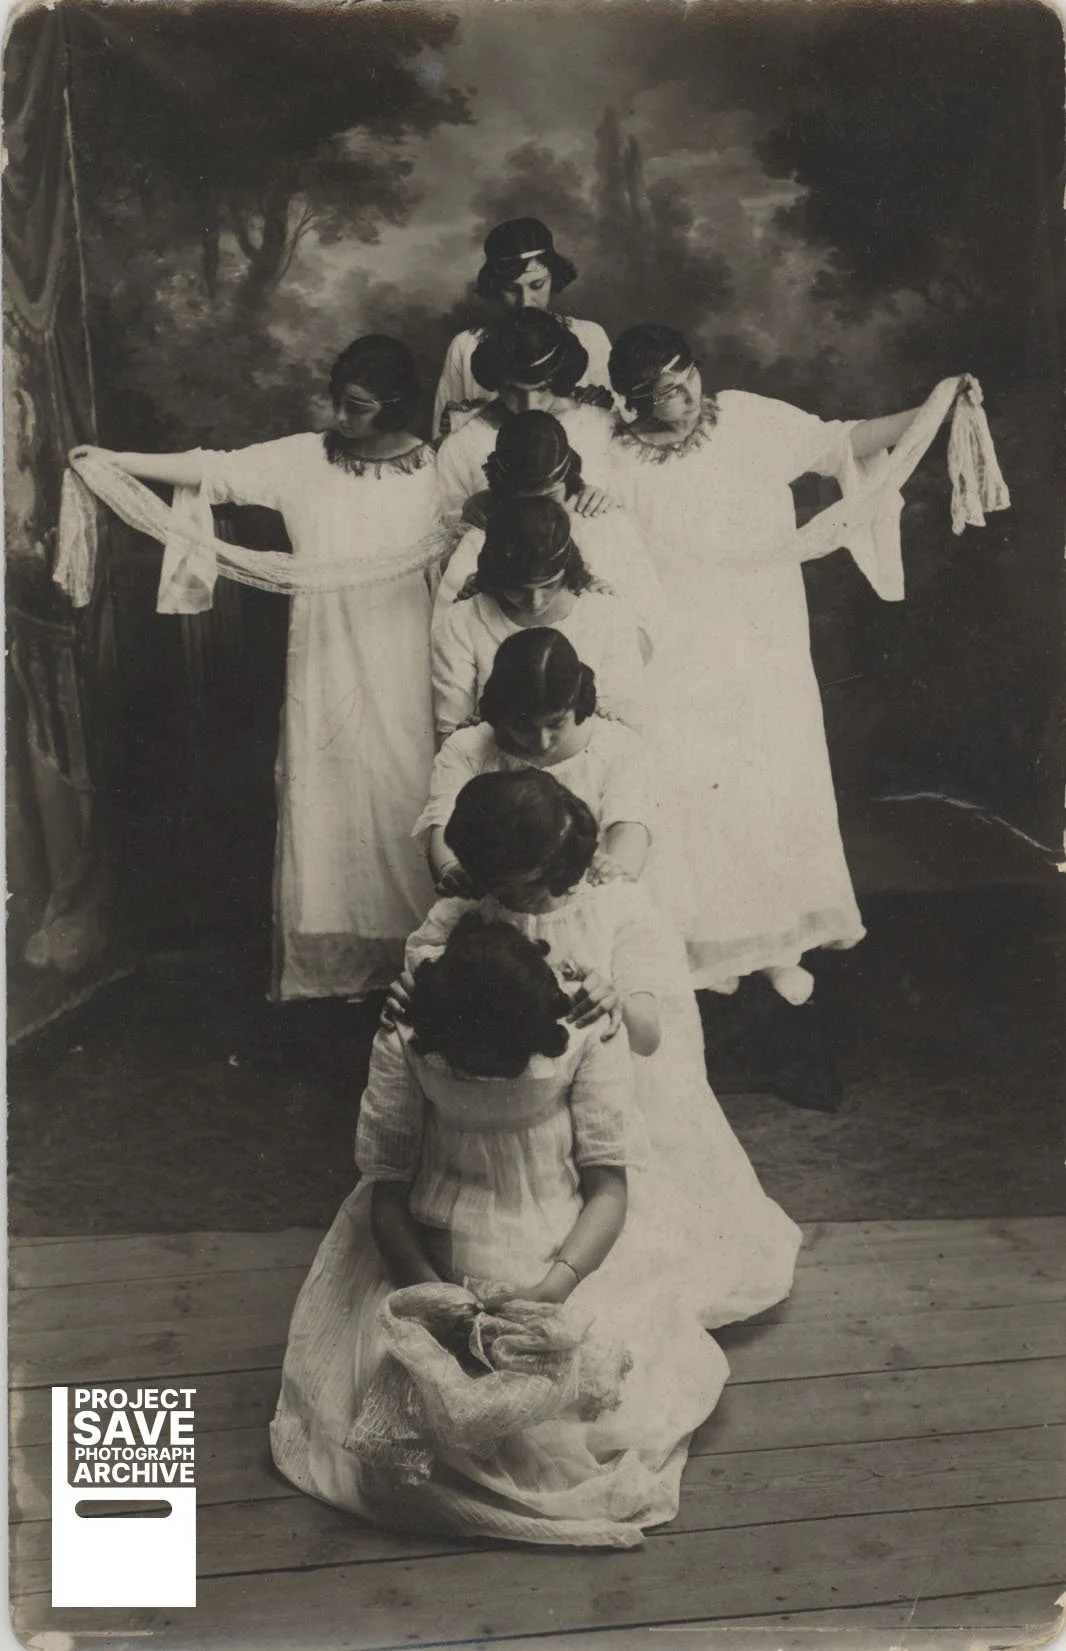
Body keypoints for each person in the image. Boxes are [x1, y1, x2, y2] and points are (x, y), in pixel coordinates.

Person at [270, 912, 729, 1548]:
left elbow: (608, 1190)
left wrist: (554, 1288)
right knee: (409, 1393)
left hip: (564, 1241)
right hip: (432, 1244)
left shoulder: (585, 1035)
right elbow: (388, 1193)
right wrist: (430, 1294)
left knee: (588, 1404)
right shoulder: (407, 1036)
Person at [606, 322, 968, 1006]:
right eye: (662, 391)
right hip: (675, 650)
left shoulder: (746, 418)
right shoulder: (614, 459)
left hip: (761, 638)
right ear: (632, 401)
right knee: (694, 784)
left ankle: (778, 946)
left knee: (770, 777)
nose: (685, 394)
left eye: (688, 374)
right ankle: (711, 947)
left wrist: (934, 407)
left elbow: (842, 443)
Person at [71, 337, 440, 1000]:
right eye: (338, 401)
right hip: (324, 652)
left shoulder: (437, 470)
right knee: (325, 789)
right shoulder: (305, 457)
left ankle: (417, 956)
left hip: (404, 649)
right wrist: (115, 460)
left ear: (395, 404)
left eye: (358, 406)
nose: (340, 416)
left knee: (402, 784)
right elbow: (212, 470)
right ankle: (329, 966)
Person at [396, 769, 803, 1328]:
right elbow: (419, 1008)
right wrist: (413, 991)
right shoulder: (463, 911)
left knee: (638, 1260)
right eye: (497, 883)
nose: (510, 898)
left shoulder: (614, 908)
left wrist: (617, 997)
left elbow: (650, 1036)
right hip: (498, 1117)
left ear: (559, 860)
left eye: (524, 883)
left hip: (609, 1096)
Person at [416, 627, 654, 903]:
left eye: (556, 724)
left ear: (577, 704)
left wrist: (614, 868)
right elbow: (441, 822)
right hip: (495, 899)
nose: (542, 742)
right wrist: (451, 869)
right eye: (523, 726)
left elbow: (629, 824)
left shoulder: (617, 744)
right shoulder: (467, 748)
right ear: (500, 709)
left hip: (590, 898)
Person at [436, 410, 666, 663]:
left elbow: (649, 635)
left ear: (569, 481)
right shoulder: (480, 536)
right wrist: (476, 597)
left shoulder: (605, 525)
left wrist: (607, 611)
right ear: (501, 492)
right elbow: (447, 637)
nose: (539, 511)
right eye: (524, 501)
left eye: (549, 497)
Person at [431, 495, 646, 740]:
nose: (535, 601)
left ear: (568, 569)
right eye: (517, 588)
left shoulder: (607, 613)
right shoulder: (462, 621)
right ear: (495, 574)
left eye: (548, 585)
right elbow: (450, 734)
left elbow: (629, 725)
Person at [432, 217, 613, 440]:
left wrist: (603, 406)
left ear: (554, 277)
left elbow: (620, 435)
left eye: (537, 285)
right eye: (511, 289)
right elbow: (441, 441)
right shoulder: (465, 346)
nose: (525, 301)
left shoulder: (591, 336)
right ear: (495, 287)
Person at [435, 310, 616, 531]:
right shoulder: (461, 444)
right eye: (514, 390)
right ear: (496, 381)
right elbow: (446, 524)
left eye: (541, 388)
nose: (529, 405)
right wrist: (466, 513)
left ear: (559, 379)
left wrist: (607, 501)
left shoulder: (601, 426)